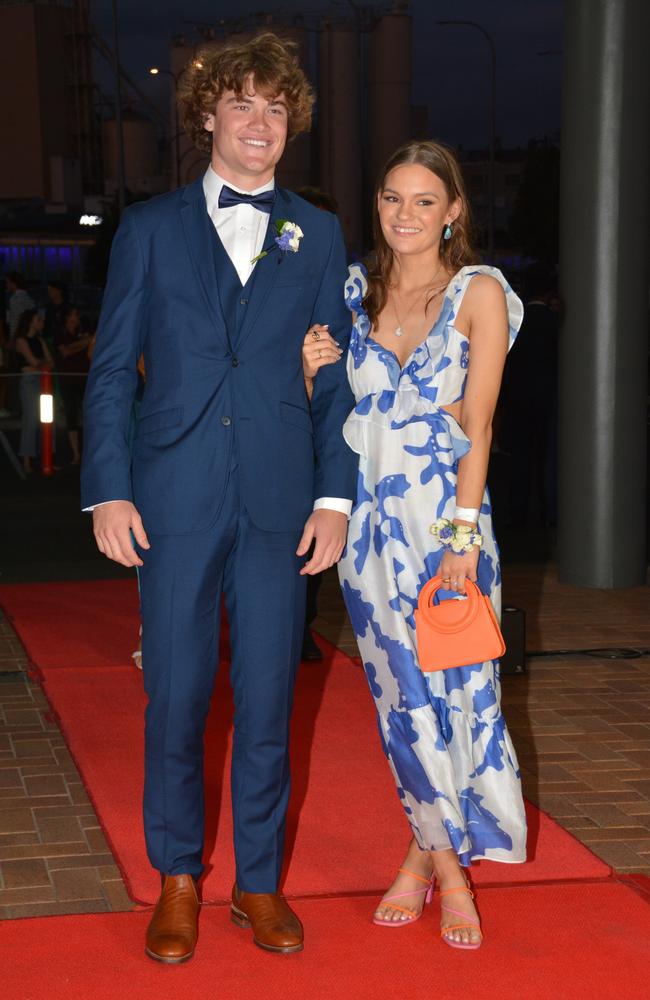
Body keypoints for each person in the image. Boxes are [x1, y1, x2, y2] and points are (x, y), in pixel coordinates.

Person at [81, 32, 357, 964]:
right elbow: (113, 369)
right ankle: (178, 878)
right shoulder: (151, 230)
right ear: (206, 115)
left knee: (272, 697)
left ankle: (260, 882)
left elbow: (337, 377)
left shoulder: (315, 232)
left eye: (276, 109)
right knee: (177, 697)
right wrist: (107, 491)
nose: (259, 123)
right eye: (241, 104)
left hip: (282, 505)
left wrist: (335, 498)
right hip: (174, 497)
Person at [303, 140, 527, 949]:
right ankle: (443, 865)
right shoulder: (354, 291)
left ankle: (430, 866)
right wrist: (308, 367)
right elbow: (328, 411)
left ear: (455, 210)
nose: (405, 214)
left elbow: (480, 422)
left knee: (460, 696)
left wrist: (464, 538)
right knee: (401, 701)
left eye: (424, 200)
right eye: (392, 198)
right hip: (369, 531)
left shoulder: (479, 293)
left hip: (449, 526)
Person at [502, 266, 559, 527]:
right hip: (550, 402)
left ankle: (518, 514)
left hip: (518, 402)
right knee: (548, 460)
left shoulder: (515, 322)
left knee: (520, 461)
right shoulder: (556, 323)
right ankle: (549, 515)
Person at [15, 308, 53, 473]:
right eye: (38, 320)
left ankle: (47, 457)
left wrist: (39, 364)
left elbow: (49, 363)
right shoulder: (21, 341)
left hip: (42, 380)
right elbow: (35, 362)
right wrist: (39, 364)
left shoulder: (40, 340)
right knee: (30, 420)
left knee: (47, 419)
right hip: (30, 382)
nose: (41, 323)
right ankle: (27, 460)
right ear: (31, 322)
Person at [54, 306, 91, 465]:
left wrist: (82, 342)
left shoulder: (82, 332)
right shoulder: (60, 335)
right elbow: (65, 351)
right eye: (72, 314)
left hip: (84, 379)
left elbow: (90, 348)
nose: (75, 318)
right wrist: (85, 342)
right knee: (71, 416)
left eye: (77, 314)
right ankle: (76, 453)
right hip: (68, 380)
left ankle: (89, 452)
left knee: (89, 414)